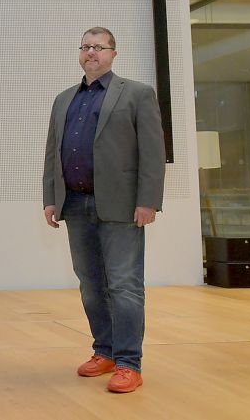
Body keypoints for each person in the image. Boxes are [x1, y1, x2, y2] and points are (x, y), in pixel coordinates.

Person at [42, 27, 165, 394]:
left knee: (124, 285)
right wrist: (51, 198)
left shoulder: (138, 94)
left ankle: (129, 362)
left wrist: (148, 200)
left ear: (114, 53)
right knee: (91, 285)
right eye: (86, 47)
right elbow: (53, 154)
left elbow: (153, 153)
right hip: (76, 204)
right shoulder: (64, 99)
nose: (92, 53)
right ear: (79, 53)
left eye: (100, 47)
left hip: (122, 206)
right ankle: (105, 352)